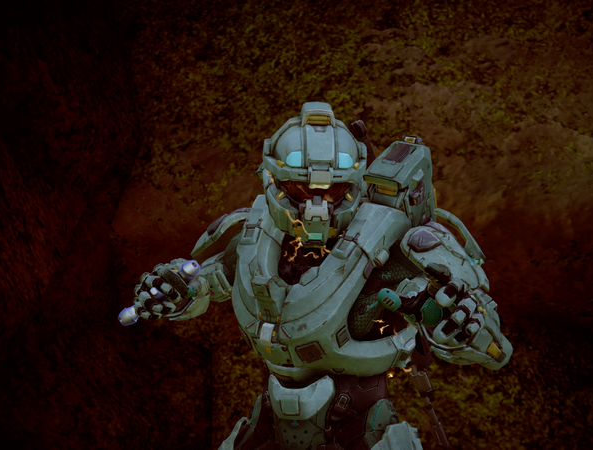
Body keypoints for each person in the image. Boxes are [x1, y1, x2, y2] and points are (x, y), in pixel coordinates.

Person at [122, 102, 513, 450]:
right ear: (273, 181)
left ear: (355, 184)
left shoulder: (399, 244)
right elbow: (213, 280)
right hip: (270, 420)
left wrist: (454, 321)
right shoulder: (256, 232)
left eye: (332, 192)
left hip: (361, 425)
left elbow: (494, 346)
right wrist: (178, 290)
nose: (316, 206)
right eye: (300, 188)